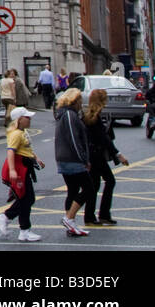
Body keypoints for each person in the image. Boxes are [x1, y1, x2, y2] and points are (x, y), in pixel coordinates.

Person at [0, 106, 45, 242]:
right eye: (27, 117)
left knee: (27, 199)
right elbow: (10, 152)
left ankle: (16, 225)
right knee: (25, 199)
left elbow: (27, 148)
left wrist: (36, 158)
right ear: (19, 120)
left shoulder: (23, 132)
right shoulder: (16, 134)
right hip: (19, 167)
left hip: (24, 167)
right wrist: (12, 170)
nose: (30, 119)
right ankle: (16, 224)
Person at [82, 89, 129, 227]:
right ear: (102, 101)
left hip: (92, 155)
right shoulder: (96, 117)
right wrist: (118, 155)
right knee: (110, 181)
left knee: (94, 185)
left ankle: (90, 216)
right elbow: (105, 139)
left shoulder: (88, 115)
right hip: (96, 155)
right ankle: (103, 215)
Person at [53, 87, 91, 237]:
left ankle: (71, 223)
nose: (82, 103)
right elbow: (74, 139)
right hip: (71, 159)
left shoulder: (68, 114)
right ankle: (69, 218)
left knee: (73, 190)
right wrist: (84, 159)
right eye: (80, 100)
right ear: (75, 101)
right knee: (89, 189)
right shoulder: (69, 115)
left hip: (67, 158)